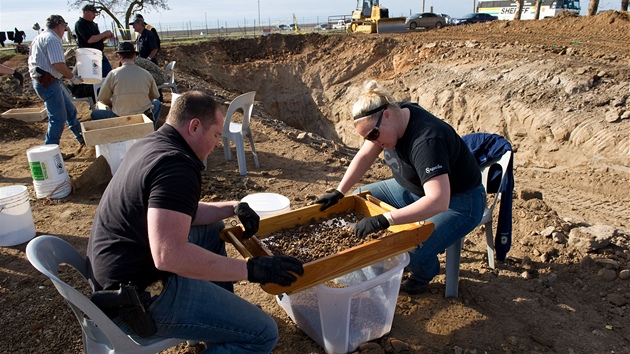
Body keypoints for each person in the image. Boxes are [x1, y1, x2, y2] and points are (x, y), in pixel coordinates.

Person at [87, 90, 304, 351]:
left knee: (212, 230)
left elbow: (176, 211)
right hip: (138, 300)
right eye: (215, 135)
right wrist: (252, 270)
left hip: (114, 277)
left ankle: (220, 319)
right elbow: (169, 256)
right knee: (263, 334)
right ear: (194, 126)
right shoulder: (176, 166)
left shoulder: (151, 144)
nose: (216, 144)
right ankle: (226, 325)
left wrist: (233, 208)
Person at [315, 80, 486, 295]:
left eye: (374, 135)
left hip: (459, 202)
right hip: (412, 190)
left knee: (413, 248)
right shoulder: (396, 115)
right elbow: (365, 155)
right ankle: (382, 259)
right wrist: (339, 192)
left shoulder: (427, 141)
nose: (374, 142)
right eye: (368, 138)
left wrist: (384, 220)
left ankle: (425, 273)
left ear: (386, 115)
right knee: (357, 201)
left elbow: (439, 200)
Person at [28, 14, 85, 160]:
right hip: (48, 82)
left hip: (47, 80)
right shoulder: (52, 39)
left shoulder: (40, 38)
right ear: (59, 26)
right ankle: (49, 152)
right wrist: (73, 77)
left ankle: (84, 141)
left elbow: (47, 61)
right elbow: (57, 64)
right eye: (64, 28)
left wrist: (65, 55)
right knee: (58, 119)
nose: (64, 31)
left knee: (70, 112)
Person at [90, 42, 162, 129]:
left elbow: (103, 98)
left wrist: (112, 105)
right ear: (134, 56)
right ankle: (150, 129)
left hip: (120, 117)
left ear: (119, 56)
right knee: (157, 104)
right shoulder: (146, 73)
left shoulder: (113, 74)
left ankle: (115, 135)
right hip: (143, 116)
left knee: (95, 114)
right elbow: (154, 95)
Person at [74, 4, 114, 77]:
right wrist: (104, 33)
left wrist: (106, 36)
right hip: (89, 56)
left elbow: (98, 39)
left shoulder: (93, 24)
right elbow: (90, 39)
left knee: (108, 75)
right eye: (93, 13)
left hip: (99, 53)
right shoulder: (80, 24)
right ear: (85, 12)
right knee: (94, 77)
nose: (94, 15)